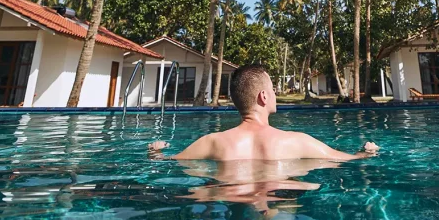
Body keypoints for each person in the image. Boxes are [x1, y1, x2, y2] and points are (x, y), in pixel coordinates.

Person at [148, 64, 379, 161]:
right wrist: (367, 151)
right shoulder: (297, 142)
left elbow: (166, 161)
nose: (275, 94)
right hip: (276, 201)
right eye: (273, 90)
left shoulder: (212, 143)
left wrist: (155, 151)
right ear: (264, 97)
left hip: (231, 197)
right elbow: (347, 159)